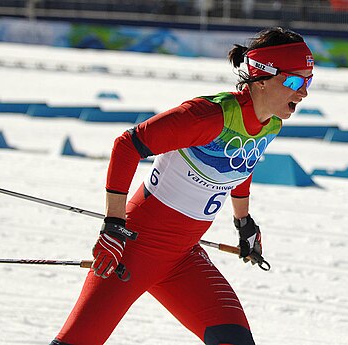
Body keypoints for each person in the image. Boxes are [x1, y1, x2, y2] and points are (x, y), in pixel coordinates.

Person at [50, 27, 314, 345]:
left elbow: (242, 164)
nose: (303, 93)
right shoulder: (207, 116)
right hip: (133, 250)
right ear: (262, 76)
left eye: (308, 82)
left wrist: (243, 221)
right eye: (295, 81)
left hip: (183, 256)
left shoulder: (270, 124)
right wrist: (114, 225)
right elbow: (127, 145)